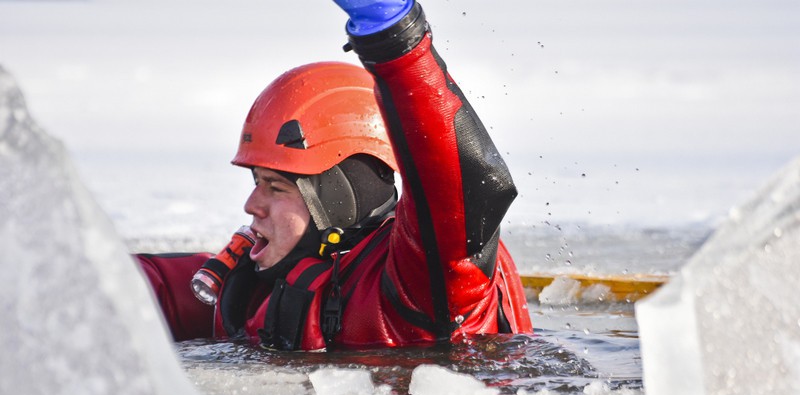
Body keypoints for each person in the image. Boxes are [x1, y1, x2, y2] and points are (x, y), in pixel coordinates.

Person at [138, 0, 533, 350]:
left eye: (275, 187)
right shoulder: (255, 282)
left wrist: (395, 38)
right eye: (256, 182)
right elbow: (138, 284)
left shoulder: (424, 284)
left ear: (338, 198)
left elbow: (459, 190)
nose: (251, 205)